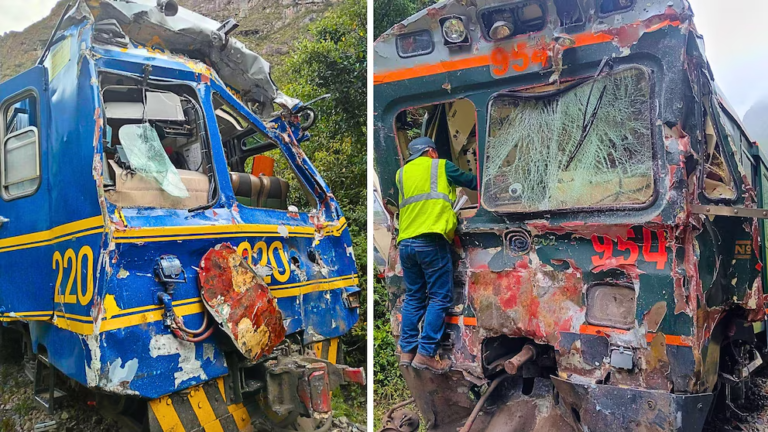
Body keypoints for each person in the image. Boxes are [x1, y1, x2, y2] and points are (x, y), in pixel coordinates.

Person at [395, 136, 478, 374]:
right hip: (431, 240)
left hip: (406, 243)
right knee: (440, 298)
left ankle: (407, 351)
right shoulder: (441, 165)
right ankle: (426, 354)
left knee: (414, 297)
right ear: (431, 152)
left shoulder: (401, 174)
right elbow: (471, 182)